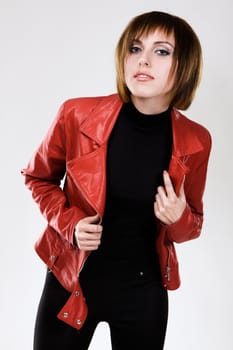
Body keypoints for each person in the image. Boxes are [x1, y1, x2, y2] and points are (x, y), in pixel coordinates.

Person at [22, 10, 212, 350]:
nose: (143, 61)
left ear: (185, 66)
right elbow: (38, 177)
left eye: (161, 51)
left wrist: (178, 217)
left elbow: (192, 224)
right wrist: (70, 223)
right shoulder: (77, 114)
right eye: (135, 48)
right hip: (73, 281)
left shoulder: (196, 141)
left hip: (143, 292)